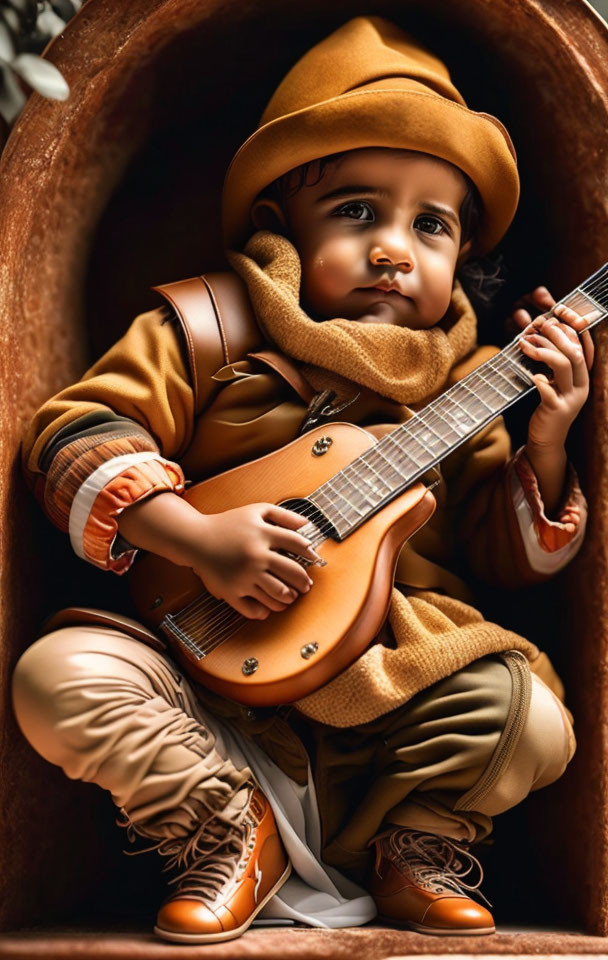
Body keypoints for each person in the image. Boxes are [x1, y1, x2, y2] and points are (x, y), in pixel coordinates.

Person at [12, 15, 591, 944]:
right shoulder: (207, 326)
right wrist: (198, 539)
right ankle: (225, 827)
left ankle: (412, 848)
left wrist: (549, 442)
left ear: (462, 259)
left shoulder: (464, 381)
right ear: (281, 224)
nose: (395, 247)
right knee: (57, 678)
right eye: (359, 211)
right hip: (201, 687)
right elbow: (75, 431)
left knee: (533, 720)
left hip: (389, 705)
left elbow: (499, 553)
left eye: (431, 225)